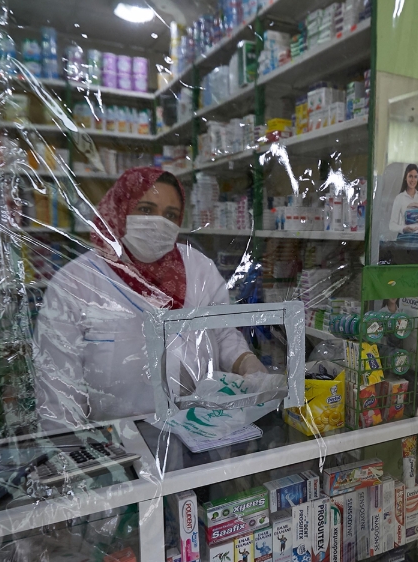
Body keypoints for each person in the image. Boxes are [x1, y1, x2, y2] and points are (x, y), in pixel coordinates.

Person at [35, 166, 264, 426]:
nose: (159, 223)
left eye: (170, 215)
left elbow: (222, 333)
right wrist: (75, 444)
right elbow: (59, 390)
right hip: (121, 438)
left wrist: (246, 362)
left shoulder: (198, 267)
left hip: (201, 425)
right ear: (120, 209)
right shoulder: (75, 282)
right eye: (146, 209)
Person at [388, 163, 418, 243]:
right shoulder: (399, 198)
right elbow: (391, 225)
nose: (413, 180)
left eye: (415, 177)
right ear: (406, 177)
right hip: (404, 237)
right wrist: (403, 228)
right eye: (410, 176)